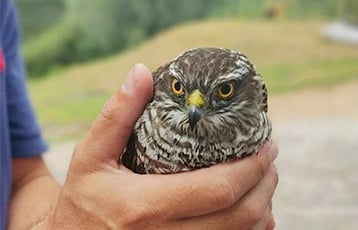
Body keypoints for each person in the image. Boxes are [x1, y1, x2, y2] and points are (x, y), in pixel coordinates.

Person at [0, 0, 279, 229]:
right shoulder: (155, 111)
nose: (195, 108)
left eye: (226, 91)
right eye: (179, 88)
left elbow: (25, 178)